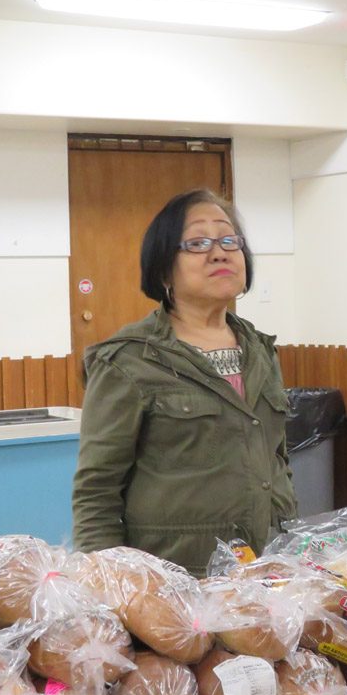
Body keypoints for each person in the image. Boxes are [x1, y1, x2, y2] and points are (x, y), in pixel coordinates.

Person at [72, 188, 297, 575]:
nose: (219, 252)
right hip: (175, 582)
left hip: (267, 573)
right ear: (163, 270)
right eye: (197, 243)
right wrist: (111, 584)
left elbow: (277, 461)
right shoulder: (129, 360)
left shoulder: (260, 350)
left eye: (230, 240)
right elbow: (97, 491)